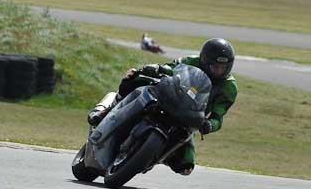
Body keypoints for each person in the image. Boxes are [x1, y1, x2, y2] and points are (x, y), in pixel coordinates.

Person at [87, 37, 238, 175]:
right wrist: (159, 69)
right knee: (134, 78)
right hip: (170, 97)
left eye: (222, 67)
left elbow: (218, 117)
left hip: (190, 117)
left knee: (186, 166)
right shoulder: (191, 61)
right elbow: (171, 68)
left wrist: (209, 125)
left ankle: (155, 156)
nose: (218, 70)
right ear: (205, 61)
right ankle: (108, 109)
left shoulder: (229, 87)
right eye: (214, 66)